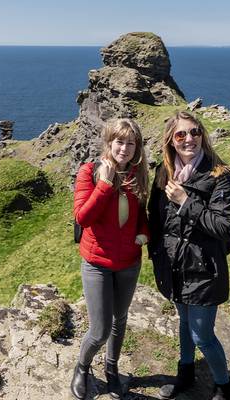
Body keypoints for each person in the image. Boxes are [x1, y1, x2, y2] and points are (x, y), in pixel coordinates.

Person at [147, 111, 230, 400]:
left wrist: (186, 202)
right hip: (174, 267)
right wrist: (156, 254)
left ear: (203, 135)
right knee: (184, 323)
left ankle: (224, 388)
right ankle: (185, 374)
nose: (190, 139)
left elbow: (224, 227)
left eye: (195, 132)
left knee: (203, 335)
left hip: (203, 270)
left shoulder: (219, 175)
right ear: (171, 141)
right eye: (181, 134)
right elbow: (154, 216)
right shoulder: (164, 172)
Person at [71, 118, 150, 400]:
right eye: (119, 141)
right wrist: (104, 184)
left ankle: (112, 368)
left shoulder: (139, 173)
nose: (125, 148)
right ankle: (82, 367)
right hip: (96, 263)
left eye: (131, 143)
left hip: (129, 261)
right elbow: (83, 217)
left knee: (120, 319)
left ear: (137, 147)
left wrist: (143, 232)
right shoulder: (89, 171)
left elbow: (141, 213)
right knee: (100, 329)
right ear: (108, 143)